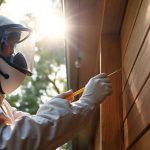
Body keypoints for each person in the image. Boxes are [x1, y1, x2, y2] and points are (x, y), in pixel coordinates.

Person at [0, 15, 112, 150]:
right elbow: (15, 141)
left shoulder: (4, 105)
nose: (13, 52)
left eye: (14, 45)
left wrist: (51, 108)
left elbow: (31, 128)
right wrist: (85, 103)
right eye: (9, 44)